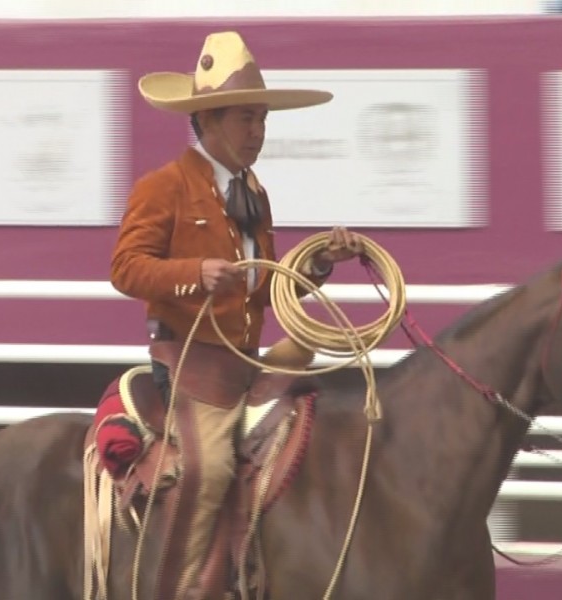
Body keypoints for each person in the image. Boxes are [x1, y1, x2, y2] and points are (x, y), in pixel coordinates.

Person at [110, 31, 363, 599]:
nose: (258, 132)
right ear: (210, 121)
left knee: (327, 401)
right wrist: (192, 271)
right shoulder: (164, 187)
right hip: (188, 361)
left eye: (263, 120)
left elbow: (269, 289)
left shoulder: (254, 193)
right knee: (210, 472)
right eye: (247, 119)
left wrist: (318, 262)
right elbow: (125, 268)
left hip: (243, 358)